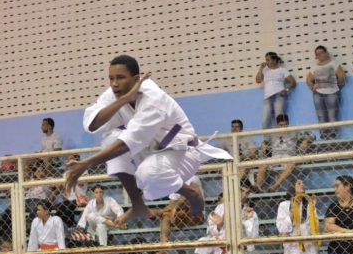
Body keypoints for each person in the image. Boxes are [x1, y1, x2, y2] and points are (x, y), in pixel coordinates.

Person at [66, 54, 231, 225]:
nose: (114, 83)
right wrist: (123, 100)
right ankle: (138, 205)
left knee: (147, 173)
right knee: (110, 138)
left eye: (120, 77)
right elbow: (92, 124)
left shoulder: (154, 98)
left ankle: (191, 193)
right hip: (150, 151)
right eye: (111, 78)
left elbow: (126, 143)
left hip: (181, 153)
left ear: (136, 79)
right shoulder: (115, 93)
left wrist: (85, 164)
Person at [256, 114, 313, 192]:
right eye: (281, 125)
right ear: (277, 125)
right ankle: (257, 187)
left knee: (291, 163)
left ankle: (276, 185)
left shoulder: (294, 131)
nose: (283, 127)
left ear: (288, 123)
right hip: (275, 157)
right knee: (262, 164)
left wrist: (306, 141)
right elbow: (265, 141)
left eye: (285, 125)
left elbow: (312, 135)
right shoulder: (272, 133)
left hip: (288, 156)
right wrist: (264, 143)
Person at [306, 45, 346, 140]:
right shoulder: (315, 67)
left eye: (321, 52)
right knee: (321, 116)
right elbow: (308, 80)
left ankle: (334, 137)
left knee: (332, 115)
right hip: (318, 94)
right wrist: (313, 87)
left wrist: (335, 86)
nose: (320, 55)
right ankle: (324, 137)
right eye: (317, 54)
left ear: (326, 52)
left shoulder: (333, 63)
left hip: (332, 93)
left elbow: (342, 77)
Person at [255, 52, 296, 130]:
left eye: (268, 60)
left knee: (279, 119)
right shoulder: (265, 71)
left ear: (274, 60)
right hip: (267, 97)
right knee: (264, 121)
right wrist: (261, 68)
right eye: (266, 60)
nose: (266, 62)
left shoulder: (282, 70)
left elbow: (292, 82)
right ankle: (267, 138)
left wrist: (286, 90)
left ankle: (281, 137)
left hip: (279, 96)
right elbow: (258, 80)